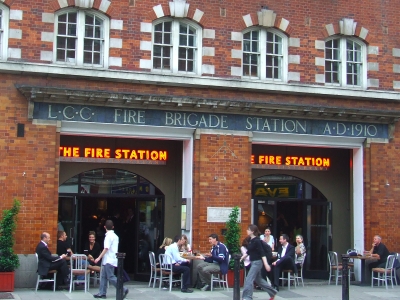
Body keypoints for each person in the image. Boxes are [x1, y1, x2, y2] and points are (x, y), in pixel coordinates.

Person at [92, 220, 129, 299]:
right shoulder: (116, 236)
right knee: (104, 276)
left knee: (110, 276)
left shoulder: (108, 237)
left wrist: (98, 258)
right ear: (113, 227)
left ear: (105, 227)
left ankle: (123, 289)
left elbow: (106, 248)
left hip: (108, 259)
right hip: (113, 259)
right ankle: (102, 293)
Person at [240, 224, 277, 300]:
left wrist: (266, 264)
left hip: (257, 262)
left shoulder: (257, 241)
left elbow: (262, 253)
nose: (247, 231)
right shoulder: (251, 240)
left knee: (249, 279)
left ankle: (247, 297)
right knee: (259, 280)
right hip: (253, 262)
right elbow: (249, 251)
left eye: (248, 230)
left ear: (252, 231)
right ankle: (272, 292)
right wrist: (242, 258)